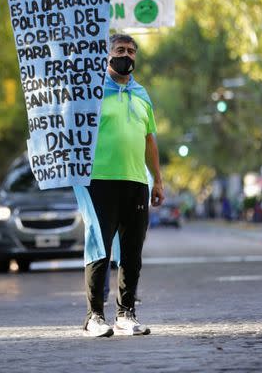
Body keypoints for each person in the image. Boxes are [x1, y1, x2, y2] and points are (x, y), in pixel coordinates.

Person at [82, 33, 164, 338]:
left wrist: (157, 179)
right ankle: (94, 316)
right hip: (99, 182)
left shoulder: (142, 95)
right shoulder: (90, 92)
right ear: (107, 55)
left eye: (131, 51)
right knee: (99, 249)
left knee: (132, 252)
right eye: (120, 50)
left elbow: (149, 140)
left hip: (135, 182)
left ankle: (126, 314)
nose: (126, 55)